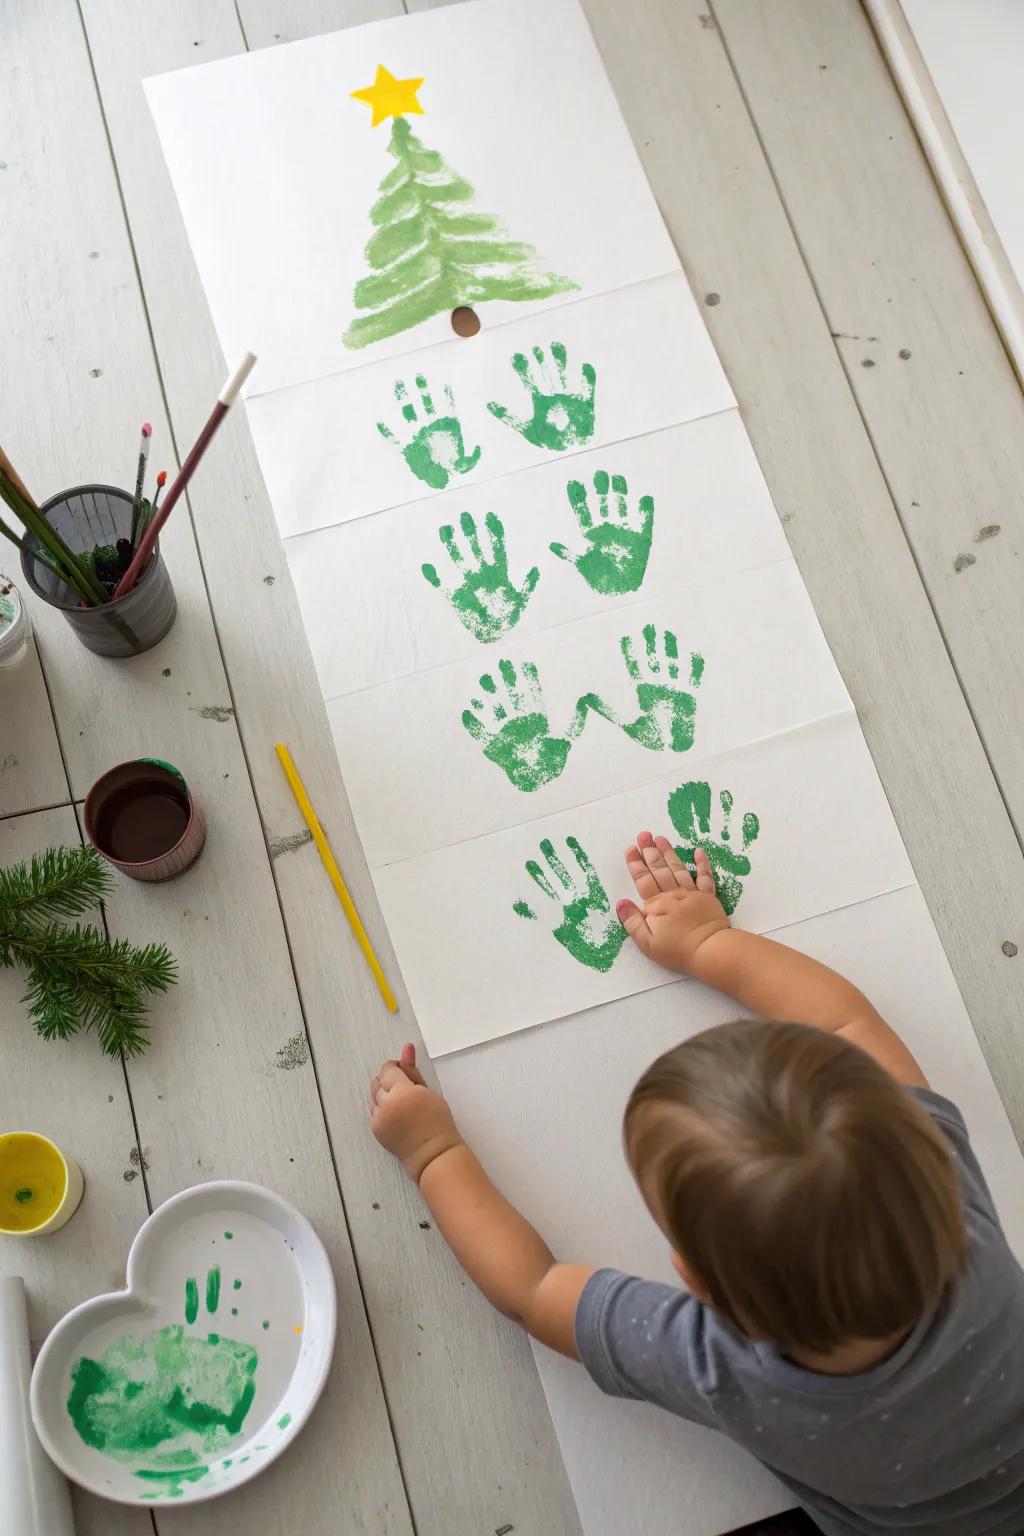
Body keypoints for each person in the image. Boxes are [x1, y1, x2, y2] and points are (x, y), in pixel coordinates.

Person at [369, 831, 1024, 1536]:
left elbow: (531, 1292)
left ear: (699, 1284)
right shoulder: (959, 1210)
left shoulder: (720, 1369)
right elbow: (846, 1020)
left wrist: (432, 1152)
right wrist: (710, 942)